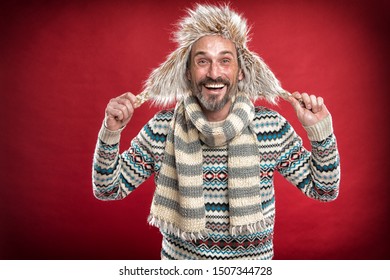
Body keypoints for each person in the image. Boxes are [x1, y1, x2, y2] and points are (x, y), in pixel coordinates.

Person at [92, 3, 340, 260]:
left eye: (225, 61)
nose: (214, 73)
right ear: (188, 72)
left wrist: (319, 131)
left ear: (240, 71)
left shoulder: (271, 127)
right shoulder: (162, 129)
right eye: (202, 61)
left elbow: (324, 190)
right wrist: (111, 131)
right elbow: (108, 189)